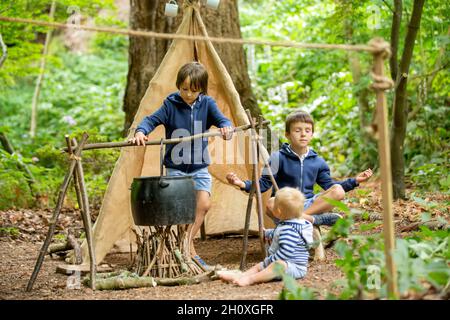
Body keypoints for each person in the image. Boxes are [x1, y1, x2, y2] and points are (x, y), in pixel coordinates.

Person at [129, 61, 233, 269]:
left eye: (193, 91)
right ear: (178, 86)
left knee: (203, 204)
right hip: (176, 168)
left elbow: (223, 121)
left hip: (199, 167)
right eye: (184, 89)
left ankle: (184, 244)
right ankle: (188, 250)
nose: (187, 94)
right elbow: (151, 120)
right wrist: (141, 131)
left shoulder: (207, 104)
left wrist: (226, 128)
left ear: (201, 89)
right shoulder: (171, 104)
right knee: (181, 210)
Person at [226, 110, 373, 226]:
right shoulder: (277, 158)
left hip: (309, 203)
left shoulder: (318, 161)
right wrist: (242, 184)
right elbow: (264, 184)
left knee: (338, 191)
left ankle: (300, 218)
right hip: (285, 205)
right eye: (297, 130)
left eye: (307, 130)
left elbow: (330, 186)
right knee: (270, 203)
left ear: (312, 134)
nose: (303, 134)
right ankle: (313, 220)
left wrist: (355, 181)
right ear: (287, 134)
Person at [218, 187, 312, 286]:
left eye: (274, 204)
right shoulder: (289, 225)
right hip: (283, 263)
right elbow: (277, 233)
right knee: (259, 266)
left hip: (294, 267)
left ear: (278, 211)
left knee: (277, 265)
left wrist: (269, 261)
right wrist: (267, 233)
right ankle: (241, 276)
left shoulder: (289, 230)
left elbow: (285, 254)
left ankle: (250, 279)